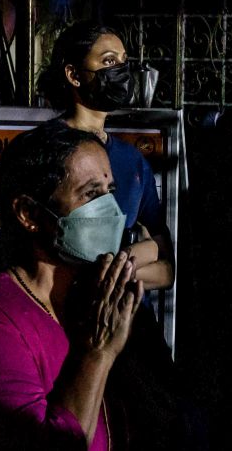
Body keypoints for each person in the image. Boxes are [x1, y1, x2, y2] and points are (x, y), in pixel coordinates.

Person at [0, 120, 150, 450]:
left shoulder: (95, 300)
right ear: (29, 214)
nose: (109, 210)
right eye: (90, 194)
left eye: (109, 192)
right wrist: (97, 354)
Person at [38, 21, 174, 291]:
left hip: (125, 320)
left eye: (123, 61)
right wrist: (139, 256)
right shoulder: (44, 149)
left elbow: (167, 266)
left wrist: (118, 268)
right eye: (109, 61)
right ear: (74, 75)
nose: (121, 72)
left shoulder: (132, 160)